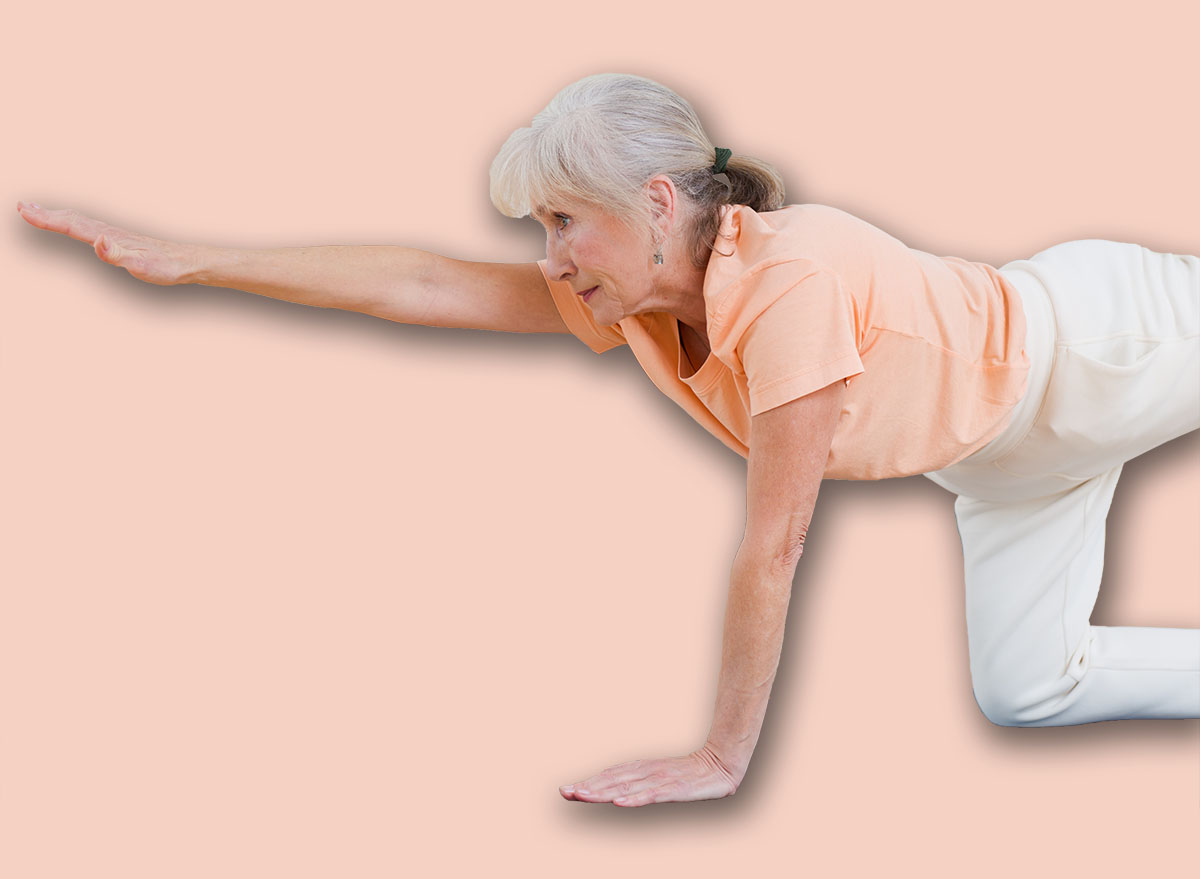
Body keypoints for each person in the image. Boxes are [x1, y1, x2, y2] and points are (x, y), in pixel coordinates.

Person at [17, 73, 1200, 808]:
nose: (550, 258)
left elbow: (775, 545)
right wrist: (190, 261)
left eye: (563, 221)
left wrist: (723, 758)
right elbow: (423, 281)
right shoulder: (632, 299)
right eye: (540, 227)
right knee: (1027, 690)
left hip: (1101, 347)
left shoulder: (792, 281)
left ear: (655, 202)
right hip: (1001, 453)